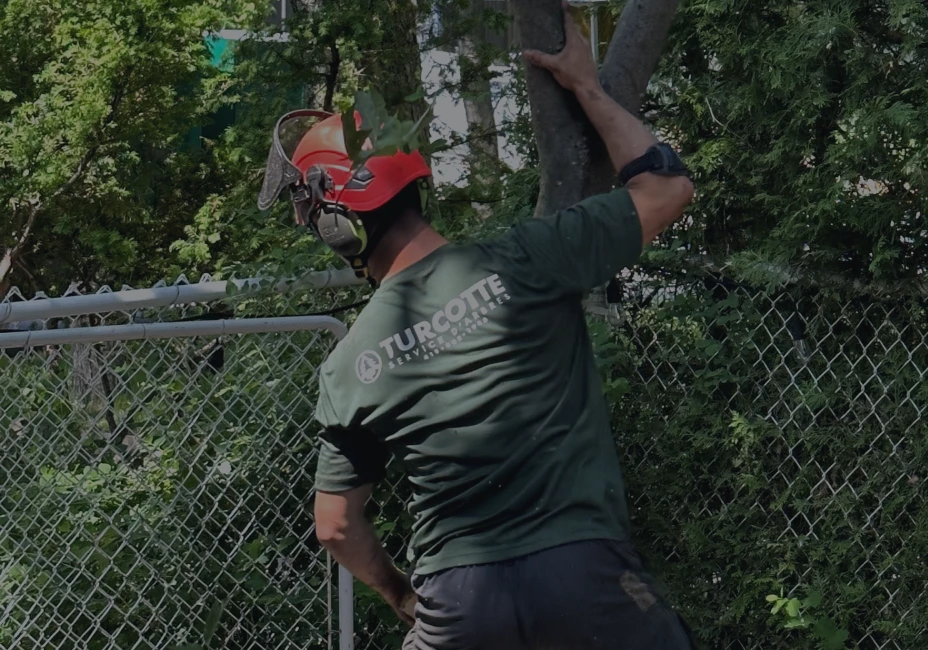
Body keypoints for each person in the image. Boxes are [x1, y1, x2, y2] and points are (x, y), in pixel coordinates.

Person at [256, 7, 697, 649]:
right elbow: (667, 190)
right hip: (589, 583)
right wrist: (586, 86)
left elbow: (335, 526)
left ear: (337, 225)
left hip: (461, 607)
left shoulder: (351, 365)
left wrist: (400, 593)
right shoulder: (527, 259)